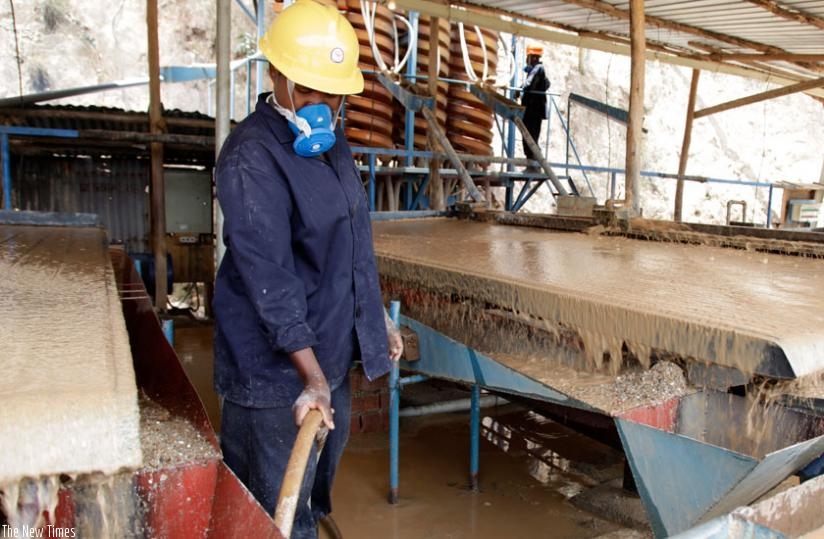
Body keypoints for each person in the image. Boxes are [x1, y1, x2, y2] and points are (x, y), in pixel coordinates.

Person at [212, 1, 403, 537]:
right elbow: (268, 278)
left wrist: (375, 323)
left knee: (312, 502)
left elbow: (352, 243)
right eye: (311, 90)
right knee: (273, 517)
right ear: (277, 73)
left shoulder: (332, 144)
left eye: (334, 93)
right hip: (277, 379)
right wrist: (311, 379)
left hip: (327, 369)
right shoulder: (251, 156)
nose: (324, 105)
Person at [519, 43, 550, 171]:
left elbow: (528, 83)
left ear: (533, 57)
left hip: (533, 110)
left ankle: (535, 164)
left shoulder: (538, 68)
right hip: (534, 109)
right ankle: (533, 164)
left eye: (529, 57)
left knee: (530, 136)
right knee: (531, 136)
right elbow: (547, 83)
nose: (527, 60)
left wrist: (519, 90)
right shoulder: (537, 70)